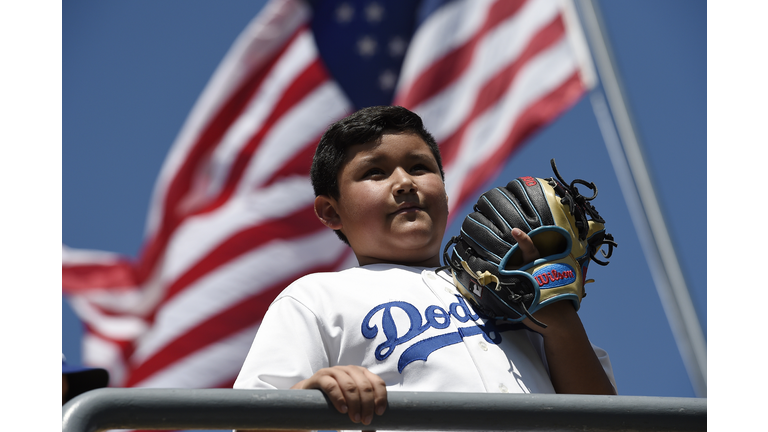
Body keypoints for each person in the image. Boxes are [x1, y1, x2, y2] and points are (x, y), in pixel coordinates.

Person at [233, 106, 616, 429]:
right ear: (331, 211)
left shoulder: (511, 286)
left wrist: (559, 319)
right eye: (375, 173)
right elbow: (250, 421)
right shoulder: (315, 297)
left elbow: (608, 422)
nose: (403, 183)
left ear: (445, 190)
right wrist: (311, 395)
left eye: (419, 167)